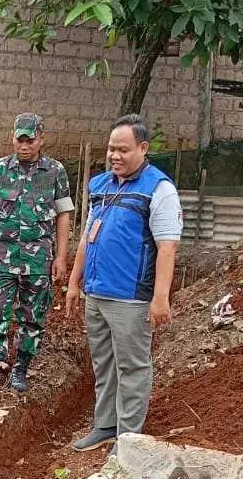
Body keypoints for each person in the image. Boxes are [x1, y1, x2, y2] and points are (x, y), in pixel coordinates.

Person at [65, 114, 181, 451]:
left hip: (130, 298)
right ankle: (105, 425)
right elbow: (88, 237)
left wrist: (161, 297)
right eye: (111, 149)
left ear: (143, 149)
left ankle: (128, 438)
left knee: (132, 366)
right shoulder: (100, 185)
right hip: (96, 292)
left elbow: (167, 247)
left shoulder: (158, 189)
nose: (115, 156)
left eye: (123, 150)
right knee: (103, 363)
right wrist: (75, 282)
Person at [0, 113, 72, 399]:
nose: (25, 145)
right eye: (20, 139)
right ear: (13, 138)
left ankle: (20, 368)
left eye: (31, 139)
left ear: (41, 139)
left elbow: (64, 216)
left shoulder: (55, 172)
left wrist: (61, 257)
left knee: (33, 316)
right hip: (3, 257)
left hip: (38, 259)